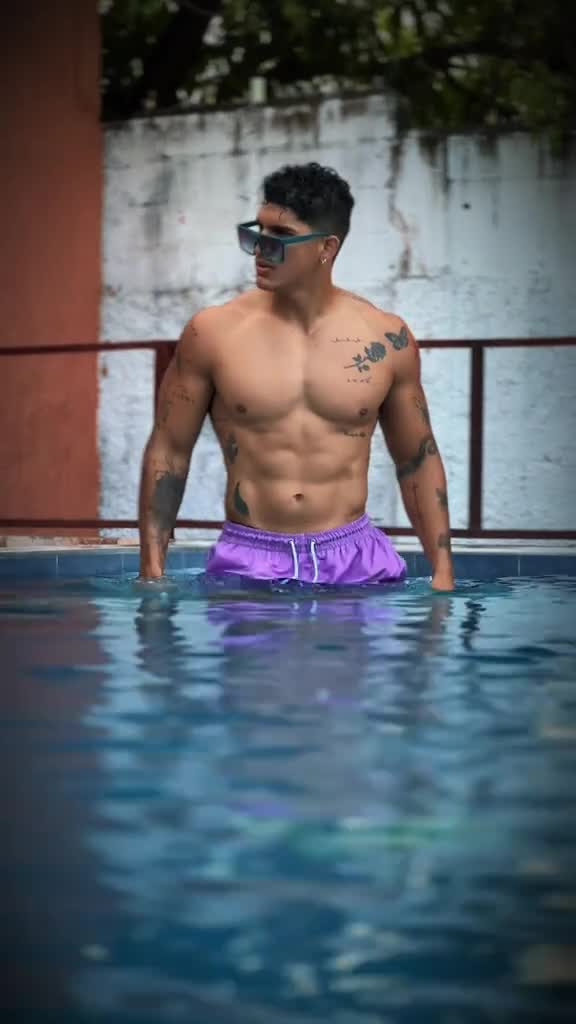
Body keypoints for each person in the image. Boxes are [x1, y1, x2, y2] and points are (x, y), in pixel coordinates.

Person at [138, 162, 454, 591]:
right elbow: (169, 451)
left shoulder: (385, 338)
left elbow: (417, 459)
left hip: (354, 560)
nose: (260, 250)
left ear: (326, 247)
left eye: (280, 237)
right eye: (258, 232)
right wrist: (152, 572)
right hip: (250, 558)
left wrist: (443, 573)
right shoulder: (213, 333)